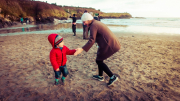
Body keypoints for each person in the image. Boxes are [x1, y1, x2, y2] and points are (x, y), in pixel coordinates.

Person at [74, 13, 121, 87]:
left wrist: (82, 49)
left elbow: (91, 40)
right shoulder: (96, 22)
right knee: (99, 59)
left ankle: (112, 77)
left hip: (110, 45)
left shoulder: (93, 25)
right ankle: (100, 76)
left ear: (89, 20)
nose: (84, 23)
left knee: (99, 61)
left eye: (84, 21)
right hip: (109, 43)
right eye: (83, 22)